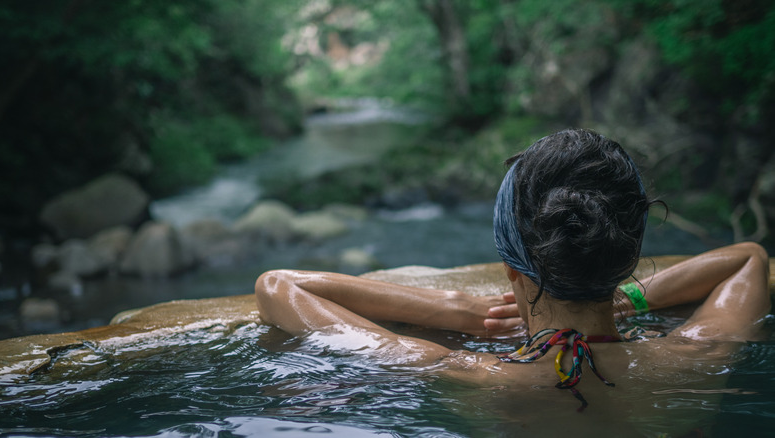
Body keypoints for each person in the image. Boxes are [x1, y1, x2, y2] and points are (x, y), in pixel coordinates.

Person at [254, 129, 771, 418]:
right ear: (625, 257)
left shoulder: (467, 376)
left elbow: (279, 287)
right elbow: (748, 257)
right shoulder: (695, 356)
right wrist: (626, 298)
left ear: (511, 271)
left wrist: (454, 307)